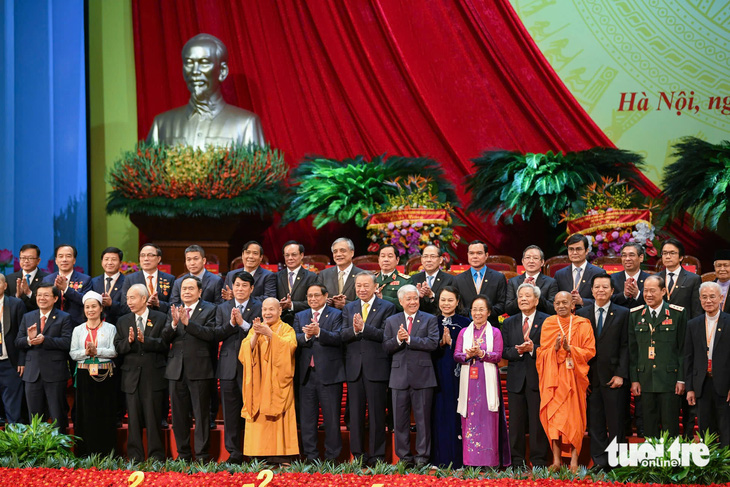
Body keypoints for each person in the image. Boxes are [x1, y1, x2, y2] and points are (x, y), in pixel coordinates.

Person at [146, 33, 266, 149]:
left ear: (222, 71)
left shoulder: (246, 124)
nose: (195, 71)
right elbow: (147, 167)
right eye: (189, 63)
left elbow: (258, 168)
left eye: (204, 63)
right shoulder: (162, 124)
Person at [536, 291, 596, 471]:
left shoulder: (583, 324)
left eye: (565, 302)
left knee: (574, 420)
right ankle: (556, 461)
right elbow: (541, 353)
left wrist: (572, 349)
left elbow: (590, 351)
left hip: (574, 378)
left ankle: (574, 462)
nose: (561, 306)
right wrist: (553, 350)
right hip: (554, 378)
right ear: (553, 306)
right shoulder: (549, 323)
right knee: (554, 419)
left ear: (573, 305)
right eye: (558, 303)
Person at [341, 272, 396, 464]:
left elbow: (386, 335)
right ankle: (357, 455)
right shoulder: (349, 308)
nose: (362, 289)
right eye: (358, 286)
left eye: (366, 285)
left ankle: (377, 456)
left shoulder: (387, 307)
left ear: (375, 287)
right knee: (355, 415)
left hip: (377, 367)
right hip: (354, 368)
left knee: (377, 414)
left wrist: (364, 328)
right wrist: (355, 330)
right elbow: (342, 334)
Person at [576, 274, 630, 469]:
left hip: (613, 377)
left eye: (605, 287)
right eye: (597, 287)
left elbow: (626, 346)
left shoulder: (623, 313)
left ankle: (618, 463)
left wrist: (621, 374)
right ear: (591, 291)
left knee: (616, 423)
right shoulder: (582, 314)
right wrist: (581, 377)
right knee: (595, 423)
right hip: (590, 377)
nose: (601, 290)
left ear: (612, 290)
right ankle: (599, 462)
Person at [161, 276, 217, 462]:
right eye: (184, 288)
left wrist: (187, 323)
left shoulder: (210, 309)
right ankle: (183, 455)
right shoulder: (174, 309)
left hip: (200, 369)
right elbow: (164, 338)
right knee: (178, 416)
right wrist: (175, 323)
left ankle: (202, 456)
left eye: (191, 288)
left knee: (201, 416)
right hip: (176, 370)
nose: (186, 291)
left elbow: (210, 335)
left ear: (199, 291)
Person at [383, 285, 439, 466]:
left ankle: (423, 456)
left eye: (415, 298)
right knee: (400, 421)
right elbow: (386, 347)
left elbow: (433, 343)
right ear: (401, 301)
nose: (412, 302)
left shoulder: (429, 319)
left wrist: (410, 339)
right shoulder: (392, 321)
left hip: (423, 376)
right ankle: (404, 457)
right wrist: (399, 339)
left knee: (423, 420)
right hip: (398, 377)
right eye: (408, 299)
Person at [454, 295, 511, 467]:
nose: (477, 313)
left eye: (481, 309)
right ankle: (471, 462)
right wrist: (468, 355)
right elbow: (457, 355)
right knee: (469, 418)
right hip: (469, 384)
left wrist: (482, 354)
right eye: (474, 309)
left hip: (487, 382)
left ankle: (489, 462)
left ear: (488, 312)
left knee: (488, 419)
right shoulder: (464, 332)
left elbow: (498, 356)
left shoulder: (495, 332)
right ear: (470, 312)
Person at [239, 297, 299, 461]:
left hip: (278, 382)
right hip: (258, 381)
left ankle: (282, 455)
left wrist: (271, 335)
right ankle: (256, 454)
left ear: (280, 311)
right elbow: (244, 352)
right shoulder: (255, 329)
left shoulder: (287, 329)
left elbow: (290, 348)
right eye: (265, 309)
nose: (267, 313)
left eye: (271, 309)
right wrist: (256, 335)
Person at [113, 284, 168, 462]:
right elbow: (117, 347)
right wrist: (128, 342)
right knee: (133, 421)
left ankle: (156, 457)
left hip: (153, 375)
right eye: (128, 298)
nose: (129, 302)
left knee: (153, 419)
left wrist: (147, 341)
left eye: (132, 298)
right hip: (131, 377)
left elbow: (165, 344)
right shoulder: (122, 321)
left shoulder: (160, 318)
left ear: (144, 299)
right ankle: (135, 457)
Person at [211, 271, 261, 464]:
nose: (240, 289)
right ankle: (234, 453)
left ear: (252, 288)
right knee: (231, 412)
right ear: (232, 287)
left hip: (252, 366)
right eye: (237, 285)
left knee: (252, 409)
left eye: (244, 286)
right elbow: (216, 334)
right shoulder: (223, 308)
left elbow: (262, 332)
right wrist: (232, 324)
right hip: (228, 366)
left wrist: (243, 324)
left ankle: (254, 450)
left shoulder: (259, 307)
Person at [628, 275, 686, 437]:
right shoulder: (635, 315)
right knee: (649, 425)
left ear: (663, 291)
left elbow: (683, 350)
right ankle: (653, 461)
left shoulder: (677, 314)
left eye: (652, 291)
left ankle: (671, 461)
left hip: (669, 379)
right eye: (645, 291)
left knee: (670, 425)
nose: (648, 295)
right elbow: (633, 352)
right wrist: (634, 379)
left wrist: (681, 379)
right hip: (645, 378)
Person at [293, 284, 345, 462]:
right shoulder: (300, 316)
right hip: (307, 375)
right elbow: (294, 339)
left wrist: (319, 332)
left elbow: (339, 338)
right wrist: (307, 336)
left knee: (331, 419)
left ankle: (333, 458)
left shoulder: (337, 314)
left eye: (316, 295)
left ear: (325, 296)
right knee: (307, 420)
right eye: (309, 296)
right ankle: (311, 457)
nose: (313, 299)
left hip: (330, 375)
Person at [502, 283, 551, 467]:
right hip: (515, 379)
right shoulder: (508, 322)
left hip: (537, 378)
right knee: (515, 424)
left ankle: (538, 461)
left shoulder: (547, 321)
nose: (523, 299)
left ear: (536, 300)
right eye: (520, 296)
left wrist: (533, 349)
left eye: (527, 296)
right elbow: (505, 351)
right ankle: (517, 461)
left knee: (537, 424)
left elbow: (550, 350)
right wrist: (520, 351)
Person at [15, 283, 73, 432]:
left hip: (55, 373)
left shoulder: (64, 317)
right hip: (32, 373)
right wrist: (29, 339)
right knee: (34, 416)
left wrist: (45, 340)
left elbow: (67, 342)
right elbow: (18, 341)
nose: (42, 298)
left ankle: (60, 451)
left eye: (46, 295)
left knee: (57, 415)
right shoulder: (28, 316)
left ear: (55, 298)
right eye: (39, 295)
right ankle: (38, 450)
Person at [69, 291, 118, 456]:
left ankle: (106, 453)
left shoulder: (111, 328)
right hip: (84, 374)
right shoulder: (78, 330)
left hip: (105, 375)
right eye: (87, 307)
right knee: (86, 414)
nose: (90, 310)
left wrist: (97, 351)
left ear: (100, 308)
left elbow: (114, 352)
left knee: (104, 413)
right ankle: (85, 453)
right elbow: (73, 353)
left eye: (93, 306)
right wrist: (86, 352)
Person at [685, 282, 730, 446]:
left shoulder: (729, 322)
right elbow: (688, 358)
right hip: (702, 384)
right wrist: (690, 387)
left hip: (724, 385)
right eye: (704, 297)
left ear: (721, 298)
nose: (708, 300)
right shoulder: (693, 324)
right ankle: (709, 466)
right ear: (699, 299)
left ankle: (726, 467)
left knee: (726, 429)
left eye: (712, 296)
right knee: (705, 430)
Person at [430, 286, 469, 468]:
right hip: (436, 373)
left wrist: (453, 344)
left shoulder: (466, 323)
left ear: (457, 301)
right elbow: (427, 348)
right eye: (443, 300)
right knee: (438, 413)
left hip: (459, 374)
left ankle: (459, 459)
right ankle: (438, 459)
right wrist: (440, 343)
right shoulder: (432, 321)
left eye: (450, 300)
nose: (446, 303)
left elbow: (469, 349)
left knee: (456, 412)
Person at [453, 240, 506, 324]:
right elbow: (456, 305)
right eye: (471, 253)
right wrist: (471, 314)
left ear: (486, 255)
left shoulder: (498, 278)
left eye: (479, 253)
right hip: (465, 326)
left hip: (491, 326)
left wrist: (485, 313)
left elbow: (502, 304)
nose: (475, 256)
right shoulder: (458, 279)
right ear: (467, 255)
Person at [0, 274, 27, 424]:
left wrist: (22, 360)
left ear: (5, 286)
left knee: (13, 410)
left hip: (10, 363)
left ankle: (14, 443)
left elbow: (21, 334)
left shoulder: (16, 304)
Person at [42, 244, 92, 326]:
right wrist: (54, 291)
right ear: (56, 260)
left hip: (76, 325)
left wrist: (66, 289)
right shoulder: (47, 280)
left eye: (68, 256)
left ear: (74, 260)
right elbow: (44, 303)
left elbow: (86, 301)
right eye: (61, 256)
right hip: (53, 325)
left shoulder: (85, 280)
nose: (64, 260)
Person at [120, 244, 175, 315]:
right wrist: (143, 305)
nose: (146, 259)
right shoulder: (130, 279)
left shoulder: (169, 279)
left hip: (162, 320)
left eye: (150, 255)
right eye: (142, 255)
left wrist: (158, 303)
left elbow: (174, 305)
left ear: (159, 259)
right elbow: (124, 305)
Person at [554, 234, 603, 310]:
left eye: (578, 249)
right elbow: (554, 300)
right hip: (566, 317)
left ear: (587, 251)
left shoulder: (598, 273)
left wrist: (582, 301)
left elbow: (604, 300)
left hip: (590, 316)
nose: (574, 253)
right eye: (571, 249)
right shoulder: (560, 274)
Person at [505, 245, 558, 316]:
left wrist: (536, 293)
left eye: (535, 258)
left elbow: (553, 309)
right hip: (519, 321)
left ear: (542, 262)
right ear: (523, 261)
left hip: (542, 321)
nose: (531, 261)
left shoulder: (551, 282)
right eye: (527, 258)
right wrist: (522, 292)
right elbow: (509, 309)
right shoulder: (513, 282)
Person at [317, 238, 364, 310]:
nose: (338, 254)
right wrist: (325, 301)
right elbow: (318, 297)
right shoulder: (324, 274)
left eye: (343, 251)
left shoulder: (362, 275)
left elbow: (367, 301)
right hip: (330, 318)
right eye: (335, 252)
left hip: (353, 317)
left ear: (352, 253)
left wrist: (346, 303)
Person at [277, 241, 317, 325]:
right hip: (280, 322)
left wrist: (292, 305)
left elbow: (313, 302)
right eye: (287, 255)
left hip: (303, 322)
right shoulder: (276, 276)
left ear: (301, 255)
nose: (290, 258)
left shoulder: (311, 277)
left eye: (294, 255)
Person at [659, 238, 701, 319]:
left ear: (681, 257)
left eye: (672, 253)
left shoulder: (693, 279)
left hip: (684, 326)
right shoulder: (655, 278)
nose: (668, 256)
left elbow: (697, 310)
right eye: (664, 253)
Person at [410, 245, 454, 315]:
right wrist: (417, 297)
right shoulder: (413, 278)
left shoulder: (450, 279)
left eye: (433, 256)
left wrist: (432, 295)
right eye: (425, 256)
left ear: (440, 260)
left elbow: (452, 304)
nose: (428, 260)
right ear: (421, 259)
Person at [88, 247, 126, 325]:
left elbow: (129, 307)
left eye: (114, 259)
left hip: (119, 325)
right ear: (102, 262)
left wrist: (112, 303)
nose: (109, 262)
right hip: (97, 326)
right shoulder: (93, 281)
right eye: (106, 259)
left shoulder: (127, 282)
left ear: (120, 263)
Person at [5, 244, 48, 312]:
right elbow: (5, 304)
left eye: (30, 258)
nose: (26, 261)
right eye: (23, 258)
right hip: (16, 321)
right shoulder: (9, 279)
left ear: (38, 260)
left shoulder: (46, 279)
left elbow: (48, 303)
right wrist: (17, 296)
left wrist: (29, 293)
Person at [610, 242, 650, 309]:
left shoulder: (650, 279)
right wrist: (624, 295)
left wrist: (637, 295)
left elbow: (655, 302)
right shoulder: (612, 278)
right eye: (624, 255)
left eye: (631, 255)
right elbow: (607, 301)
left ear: (641, 258)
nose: (627, 259)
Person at [375, 245, 411, 312]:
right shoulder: (371, 279)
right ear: (378, 260)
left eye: (390, 256)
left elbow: (408, 304)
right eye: (383, 256)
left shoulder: (405, 281)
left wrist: (383, 298)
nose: (386, 259)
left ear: (397, 260)